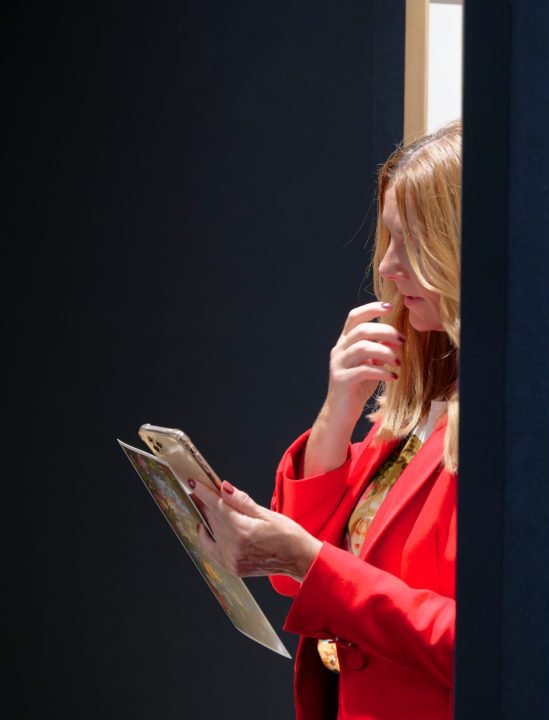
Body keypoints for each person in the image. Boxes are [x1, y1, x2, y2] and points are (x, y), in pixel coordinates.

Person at [189, 120, 462, 720]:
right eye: (388, 239)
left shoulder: (513, 429)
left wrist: (305, 561)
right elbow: (294, 583)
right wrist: (339, 409)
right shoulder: (417, 411)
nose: (388, 265)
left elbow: (483, 647)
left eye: (410, 241)